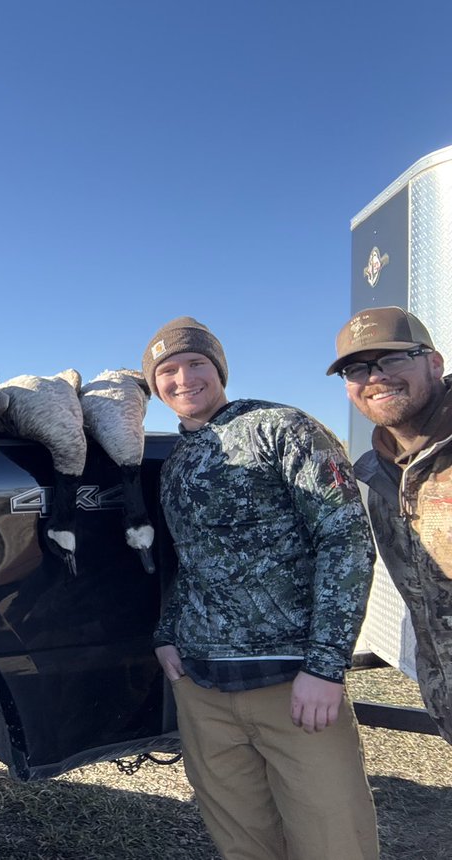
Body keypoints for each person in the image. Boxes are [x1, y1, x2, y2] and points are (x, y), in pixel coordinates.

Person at [142, 316, 378, 860]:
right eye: (167, 370)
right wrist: (166, 632)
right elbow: (187, 561)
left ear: (219, 367)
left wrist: (324, 666)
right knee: (242, 844)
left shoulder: (283, 429)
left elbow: (345, 541)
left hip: (292, 686)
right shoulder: (176, 464)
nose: (183, 379)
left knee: (333, 841)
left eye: (196, 363)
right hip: (204, 690)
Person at [329, 306, 452, 744]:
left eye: (393, 359)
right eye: (357, 368)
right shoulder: (378, 474)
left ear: (434, 362)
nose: (375, 377)